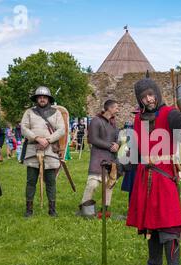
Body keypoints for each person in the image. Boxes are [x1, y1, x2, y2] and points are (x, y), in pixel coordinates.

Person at [126, 77, 181, 265]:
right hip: (144, 176)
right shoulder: (139, 119)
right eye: (144, 97)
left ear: (158, 93)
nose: (149, 99)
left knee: (168, 224)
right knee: (149, 222)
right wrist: (118, 164)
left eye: (151, 94)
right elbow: (134, 149)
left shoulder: (170, 114)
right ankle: (154, 263)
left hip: (164, 175)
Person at [21, 86, 66, 217]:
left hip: (50, 150)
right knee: (31, 180)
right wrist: (36, 138)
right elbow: (23, 128)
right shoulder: (29, 112)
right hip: (32, 149)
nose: (42, 99)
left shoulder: (56, 113)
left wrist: (48, 140)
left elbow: (61, 129)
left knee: (51, 181)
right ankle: (29, 210)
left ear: (48, 99)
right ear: (36, 99)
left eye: (44, 97)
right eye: (39, 97)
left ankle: (52, 209)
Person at [76, 100, 120, 218]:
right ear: (109, 108)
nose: (118, 110)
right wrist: (110, 146)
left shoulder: (113, 123)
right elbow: (93, 139)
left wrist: (117, 145)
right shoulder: (96, 121)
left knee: (109, 184)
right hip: (98, 158)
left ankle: (104, 211)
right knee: (93, 184)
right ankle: (84, 208)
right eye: (116, 107)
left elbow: (117, 138)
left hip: (110, 159)